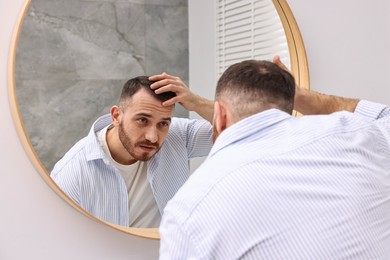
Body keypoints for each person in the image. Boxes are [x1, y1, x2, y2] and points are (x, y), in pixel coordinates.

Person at [159, 58, 390, 259]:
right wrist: (299, 95)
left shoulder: (188, 209)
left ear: (218, 115)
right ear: (289, 106)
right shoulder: (356, 133)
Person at [51, 74, 214, 228]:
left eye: (163, 123)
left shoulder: (177, 135)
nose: (152, 137)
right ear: (116, 116)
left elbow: (237, 127)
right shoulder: (72, 172)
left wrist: (197, 102)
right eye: (142, 120)